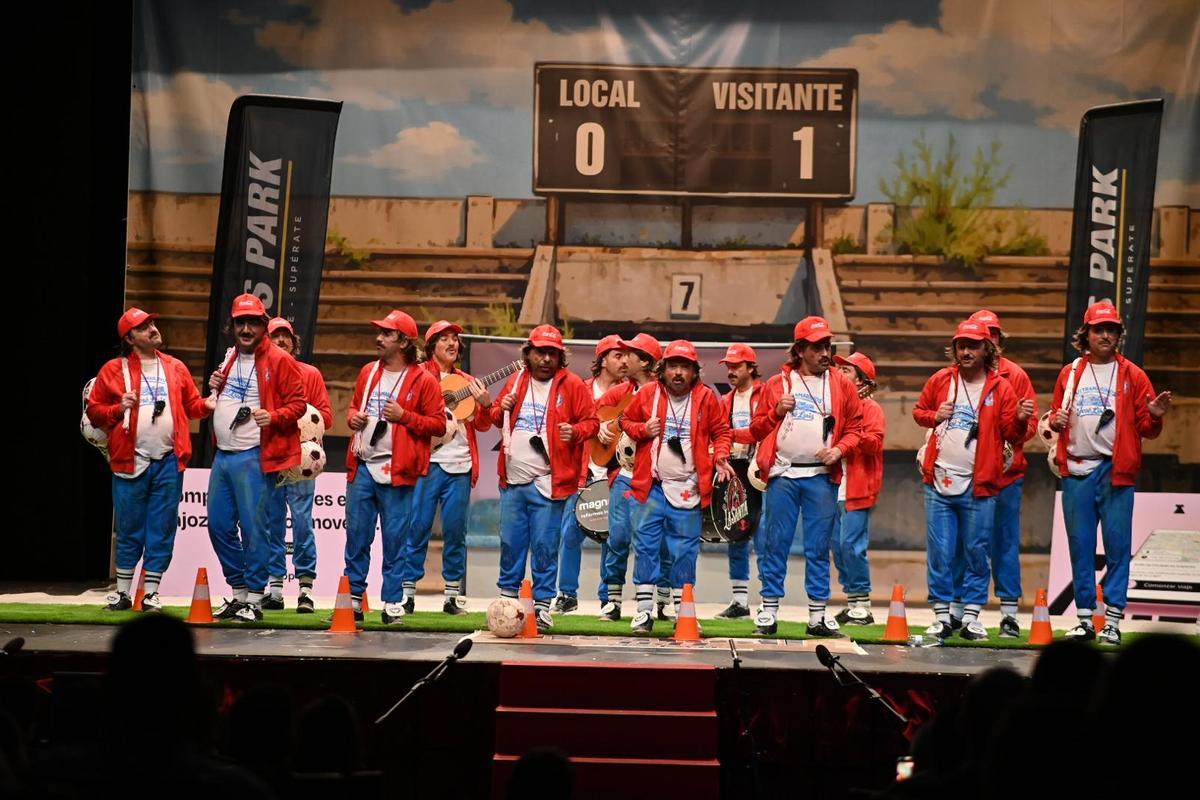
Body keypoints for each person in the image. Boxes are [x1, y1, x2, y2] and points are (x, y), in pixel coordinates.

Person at [1050, 301, 1171, 645]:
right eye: (1099, 329)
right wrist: (1055, 419)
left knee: (1118, 548)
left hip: (1114, 472)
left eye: (1111, 329)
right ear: (1085, 335)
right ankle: (1085, 619)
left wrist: (1155, 415)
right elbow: (1057, 417)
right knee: (1081, 547)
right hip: (1076, 470)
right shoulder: (1070, 373)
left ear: (1119, 334)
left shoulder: (1133, 374)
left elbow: (1148, 430)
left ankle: (1114, 620)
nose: (1105, 335)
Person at [86, 308, 215, 611]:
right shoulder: (113, 370)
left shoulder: (175, 367)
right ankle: (121, 592)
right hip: (130, 460)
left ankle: (151, 592)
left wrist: (207, 404)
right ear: (130, 338)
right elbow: (94, 412)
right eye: (144, 327)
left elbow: (192, 406)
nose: (153, 329)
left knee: (163, 526)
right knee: (131, 527)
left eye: (152, 324)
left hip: (169, 461)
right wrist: (118, 408)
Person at [913, 319, 1031, 640]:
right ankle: (941, 616)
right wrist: (934, 416)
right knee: (940, 551)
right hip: (938, 481)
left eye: (973, 346)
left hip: (980, 485)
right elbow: (919, 411)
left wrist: (1020, 418)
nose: (965, 351)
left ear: (986, 350)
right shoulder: (940, 380)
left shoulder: (1002, 387)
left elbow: (1012, 433)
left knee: (977, 550)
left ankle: (972, 616)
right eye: (961, 346)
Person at [748, 316, 864, 636]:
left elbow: (856, 429)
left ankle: (817, 616)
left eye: (827, 345)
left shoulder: (841, 384)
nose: (825, 352)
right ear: (800, 350)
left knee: (817, 547)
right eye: (817, 347)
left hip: (821, 477)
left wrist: (839, 450)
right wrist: (776, 412)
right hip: (784, 475)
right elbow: (756, 429)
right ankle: (768, 612)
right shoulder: (776, 385)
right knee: (775, 543)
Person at [620, 339, 733, 634]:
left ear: (695, 371)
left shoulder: (708, 398)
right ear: (663, 369)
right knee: (645, 546)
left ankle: (684, 609)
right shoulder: (647, 393)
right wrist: (643, 429)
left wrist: (720, 456)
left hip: (689, 487)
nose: (679, 372)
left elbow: (722, 432)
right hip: (653, 486)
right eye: (673, 366)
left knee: (684, 552)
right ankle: (644, 611)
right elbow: (625, 421)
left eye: (685, 366)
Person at [206, 294, 307, 622]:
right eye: (240, 322)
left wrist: (274, 416)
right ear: (232, 325)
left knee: (255, 529)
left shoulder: (280, 359)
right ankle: (237, 592)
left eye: (253, 322)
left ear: (264, 325)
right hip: (223, 454)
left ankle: (255, 597)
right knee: (219, 525)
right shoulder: (231, 355)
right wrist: (214, 386)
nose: (246, 328)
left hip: (253, 454)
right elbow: (225, 396)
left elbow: (299, 405)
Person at [490, 325, 598, 631]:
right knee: (510, 542)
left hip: (549, 483)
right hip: (513, 482)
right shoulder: (515, 381)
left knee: (545, 545)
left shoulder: (573, 385)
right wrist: (500, 407)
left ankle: (541, 604)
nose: (546, 359)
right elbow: (495, 418)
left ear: (560, 357)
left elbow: (592, 423)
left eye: (552, 353)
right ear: (529, 354)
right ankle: (507, 601)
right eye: (540, 352)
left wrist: (575, 431)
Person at [344, 309, 446, 624]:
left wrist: (405, 417)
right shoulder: (368, 372)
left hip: (398, 470)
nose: (378, 338)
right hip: (363, 466)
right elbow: (352, 407)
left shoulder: (423, 380)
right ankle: (353, 601)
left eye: (386, 333)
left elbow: (439, 424)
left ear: (402, 342)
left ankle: (391, 603)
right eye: (380, 332)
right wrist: (353, 418)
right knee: (357, 537)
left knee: (395, 540)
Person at [947, 309, 1038, 637]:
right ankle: (958, 608)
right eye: (982, 337)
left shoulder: (1016, 376)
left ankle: (1009, 612)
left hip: (1006, 476)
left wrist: (1011, 431)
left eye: (993, 335)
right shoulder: (955, 376)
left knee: (1004, 541)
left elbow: (1031, 427)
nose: (989, 341)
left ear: (996, 341)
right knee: (963, 542)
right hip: (964, 475)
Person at [401, 320, 493, 615]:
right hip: (427, 463)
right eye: (444, 339)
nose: (452, 344)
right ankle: (407, 593)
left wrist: (485, 404)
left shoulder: (467, 380)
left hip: (460, 464)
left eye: (455, 339)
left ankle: (453, 595)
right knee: (417, 527)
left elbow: (480, 424)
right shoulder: (416, 377)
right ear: (431, 347)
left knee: (456, 531)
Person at [594, 333, 674, 621]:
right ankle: (612, 600)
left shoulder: (667, 395)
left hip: (658, 480)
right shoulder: (619, 392)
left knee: (660, 543)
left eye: (630, 354)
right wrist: (599, 429)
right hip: (625, 476)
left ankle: (663, 601)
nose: (623, 358)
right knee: (617, 538)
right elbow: (590, 417)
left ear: (646, 361)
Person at [261, 316, 333, 614]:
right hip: (271, 457)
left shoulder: (310, 373)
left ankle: (305, 589)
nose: (280, 341)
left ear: (294, 342)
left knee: (302, 522)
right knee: (271, 522)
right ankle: (275, 589)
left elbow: (326, 417)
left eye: (285, 336)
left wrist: (305, 424)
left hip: (303, 460)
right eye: (275, 336)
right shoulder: (259, 373)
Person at [554, 334, 628, 614]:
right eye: (617, 356)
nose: (623, 361)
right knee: (570, 533)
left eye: (625, 356)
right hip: (581, 472)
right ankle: (567, 594)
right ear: (602, 360)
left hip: (614, 473)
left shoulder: (629, 395)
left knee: (612, 534)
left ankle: (607, 596)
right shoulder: (579, 389)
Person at [831, 352, 885, 626]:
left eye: (847, 371)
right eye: (838, 369)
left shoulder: (871, 409)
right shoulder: (835, 406)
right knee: (838, 547)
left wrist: (852, 435)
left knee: (852, 545)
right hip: (834, 486)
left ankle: (863, 605)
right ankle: (853, 602)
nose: (839, 373)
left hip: (857, 486)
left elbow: (875, 442)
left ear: (862, 381)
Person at [714, 343, 765, 619]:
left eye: (736, 366)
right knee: (736, 535)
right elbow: (721, 434)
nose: (731, 371)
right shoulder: (726, 400)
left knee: (767, 539)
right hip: (738, 473)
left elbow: (764, 430)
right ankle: (740, 601)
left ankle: (769, 600)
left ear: (750, 368)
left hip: (763, 474)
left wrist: (735, 435)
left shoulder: (766, 393)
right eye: (729, 367)